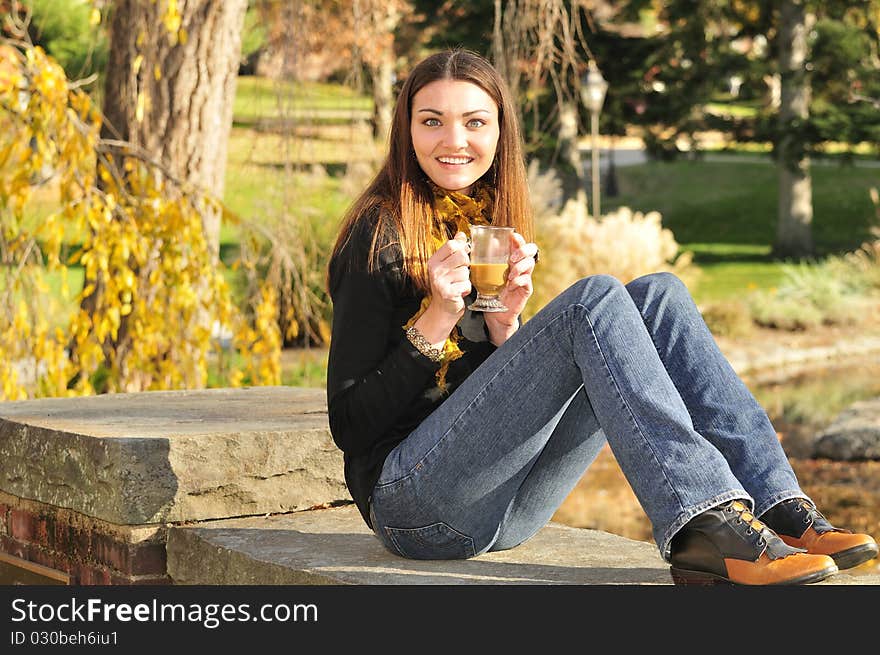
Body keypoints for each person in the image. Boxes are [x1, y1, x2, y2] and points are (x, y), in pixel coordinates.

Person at [325, 48, 878, 585]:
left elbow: (482, 409)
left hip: (505, 510)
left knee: (658, 296)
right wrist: (437, 318)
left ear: (499, 133)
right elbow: (350, 427)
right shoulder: (378, 235)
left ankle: (777, 505)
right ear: (407, 131)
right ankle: (704, 525)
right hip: (412, 508)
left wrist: (504, 330)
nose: (455, 141)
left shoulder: (486, 224)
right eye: (432, 122)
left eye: (475, 122)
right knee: (592, 300)